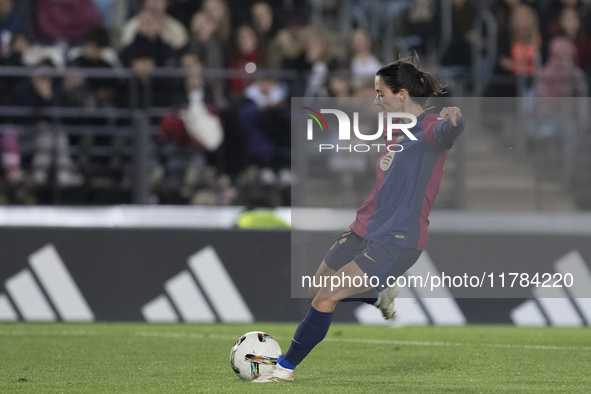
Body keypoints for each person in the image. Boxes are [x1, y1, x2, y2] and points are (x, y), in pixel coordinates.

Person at [253, 55, 465, 383]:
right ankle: (379, 294)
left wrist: (454, 122)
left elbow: (446, 133)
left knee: (327, 298)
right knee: (317, 289)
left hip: (395, 238)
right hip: (363, 229)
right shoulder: (394, 132)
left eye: (381, 93)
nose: (376, 99)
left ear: (402, 96)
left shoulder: (427, 127)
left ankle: (283, 369)